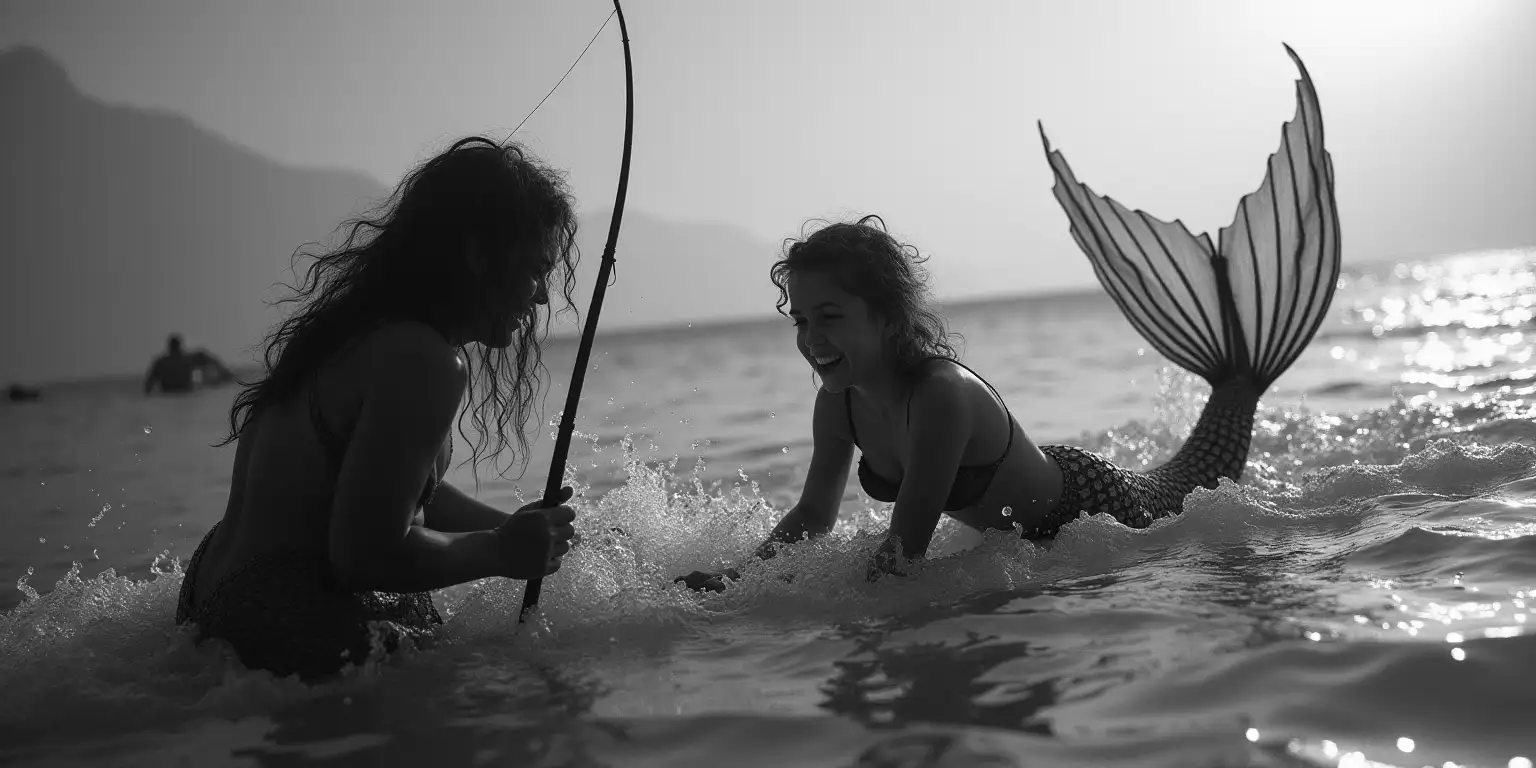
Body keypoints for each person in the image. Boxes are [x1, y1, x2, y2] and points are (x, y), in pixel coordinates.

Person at [677, 46, 1338, 589]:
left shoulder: (940, 396)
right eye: (799, 322)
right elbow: (814, 517)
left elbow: (904, 549)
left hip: (1100, 507)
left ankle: (1239, 380)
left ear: (885, 317)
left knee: (1203, 497)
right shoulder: (838, 403)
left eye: (829, 316)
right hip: (1042, 521)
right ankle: (1236, 377)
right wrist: (736, 582)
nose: (811, 338)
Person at [176, 136, 582, 681]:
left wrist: (514, 528)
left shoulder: (357, 332)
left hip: (211, 593)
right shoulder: (426, 360)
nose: (541, 297)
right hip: (283, 609)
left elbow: (393, 494)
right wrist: (499, 553)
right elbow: (365, 554)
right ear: (478, 255)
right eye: (535, 269)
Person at [143, 334, 236, 394]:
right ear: (180, 347)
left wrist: (225, 374)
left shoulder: (161, 363)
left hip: (169, 396)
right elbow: (211, 359)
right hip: (186, 394)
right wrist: (226, 374)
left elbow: (148, 387)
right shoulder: (186, 359)